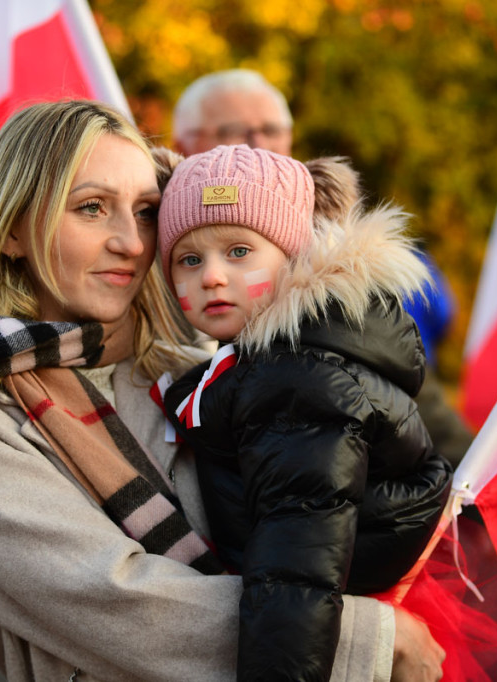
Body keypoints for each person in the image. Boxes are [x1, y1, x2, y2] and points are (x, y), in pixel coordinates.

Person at [0, 99, 446, 682]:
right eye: (92, 208)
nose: (132, 243)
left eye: (145, 212)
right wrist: (372, 637)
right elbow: (109, 601)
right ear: (12, 230)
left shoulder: (195, 373)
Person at [156, 144, 460, 680]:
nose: (211, 276)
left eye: (239, 251)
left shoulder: (297, 382)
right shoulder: (266, 360)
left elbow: (296, 571)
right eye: (189, 259)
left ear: (295, 254)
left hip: (337, 613)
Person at [172, 68, 476, 466]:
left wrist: (472, 479)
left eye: (272, 129)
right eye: (235, 131)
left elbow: (412, 402)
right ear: (182, 147)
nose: (260, 144)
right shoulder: (145, 258)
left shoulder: (337, 282)